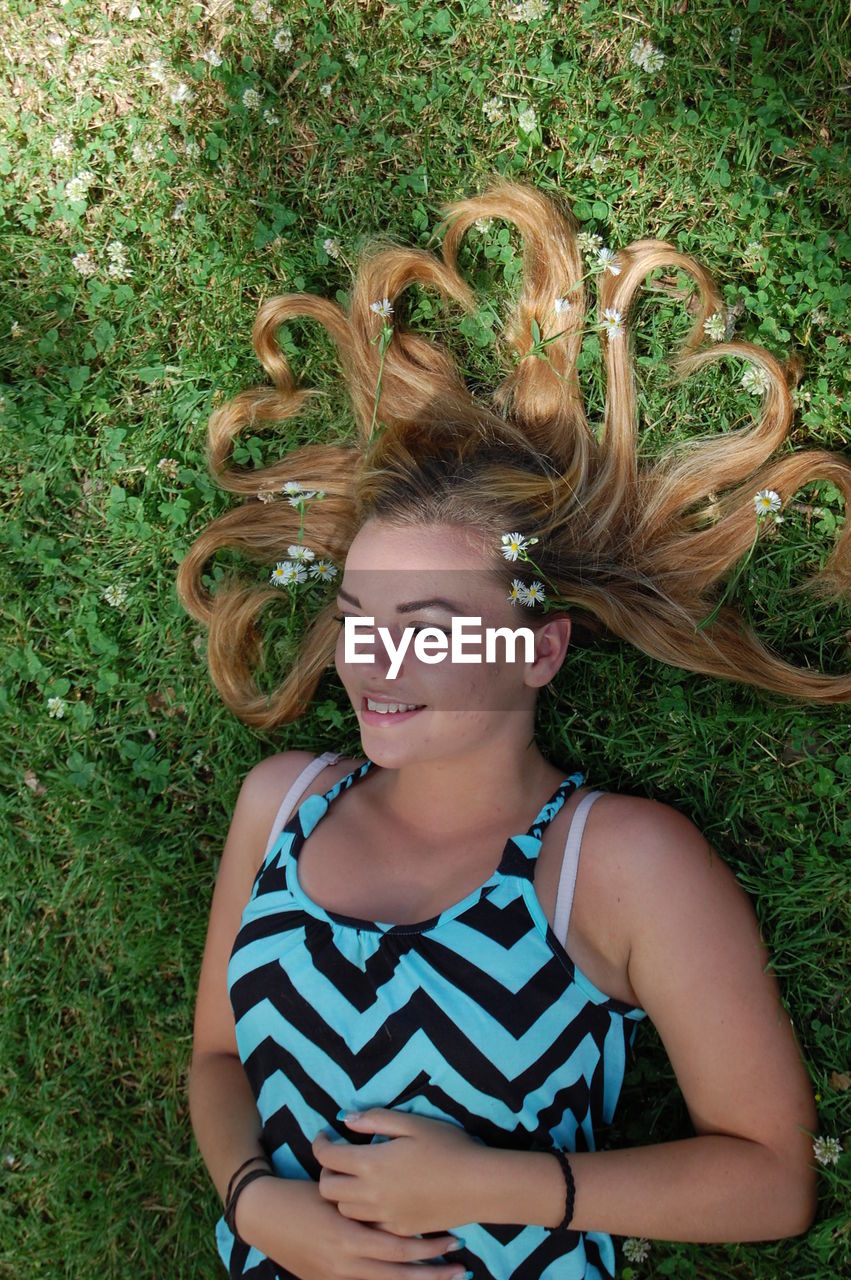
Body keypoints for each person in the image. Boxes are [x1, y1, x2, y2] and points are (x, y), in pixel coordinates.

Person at [177, 182, 851, 1280]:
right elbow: (216, 1055)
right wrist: (255, 1202)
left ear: (537, 651)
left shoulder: (615, 861)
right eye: (355, 620)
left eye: (427, 628)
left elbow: (773, 1178)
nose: (372, 664)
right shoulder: (283, 803)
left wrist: (493, 1184)